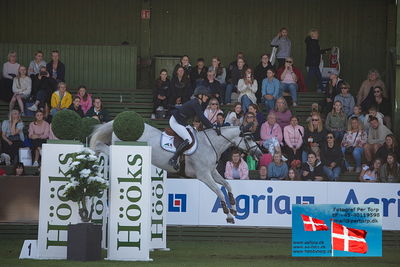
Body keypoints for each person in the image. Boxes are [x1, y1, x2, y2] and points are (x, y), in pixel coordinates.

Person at [168, 86, 215, 170]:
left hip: (182, 122)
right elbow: (201, 117)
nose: (207, 97)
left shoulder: (198, 103)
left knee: (194, 133)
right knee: (188, 139)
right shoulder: (195, 103)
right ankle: (174, 159)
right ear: (200, 95)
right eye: (205, 95)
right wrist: (212, 127)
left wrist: (211, 126)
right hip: (175, 121)